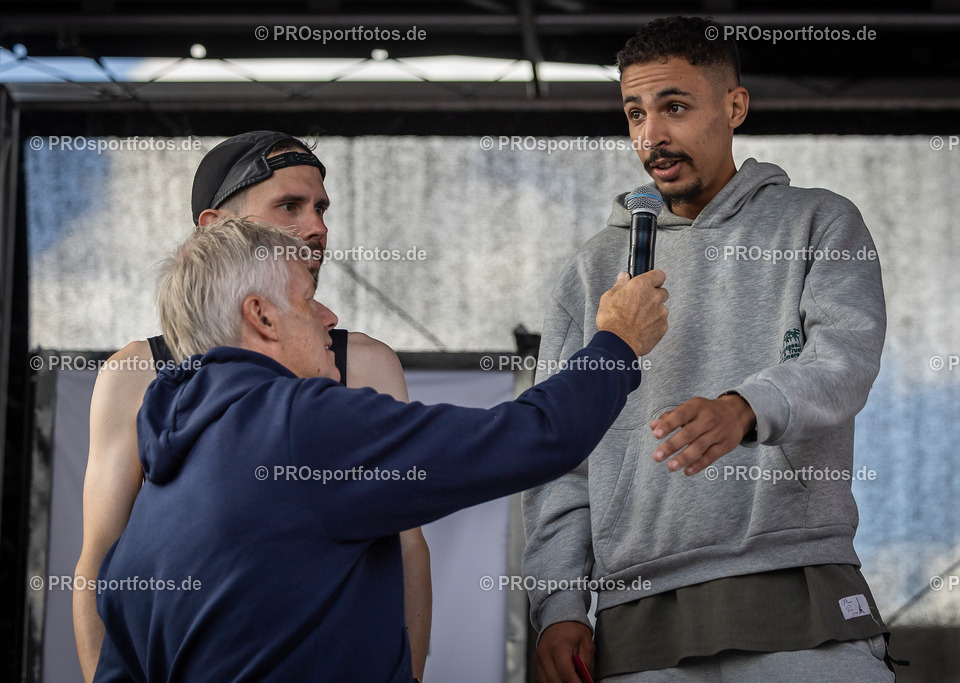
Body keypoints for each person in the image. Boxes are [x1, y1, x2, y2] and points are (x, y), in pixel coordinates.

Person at [92, 217, 670, 681]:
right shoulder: (299, 425)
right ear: (262, 316)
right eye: (308, 299)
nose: (330, 317)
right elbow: (532, 437)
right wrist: (617, 342)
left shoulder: (147, 518)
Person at [522, 16, 894, 682]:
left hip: (798, 590)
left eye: (674, 106)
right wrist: (558, 604)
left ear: (735, 106)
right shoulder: (593, 267)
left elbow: (845, 362)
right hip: (636, 615)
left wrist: (743, 408)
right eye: (635, 112)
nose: (651, 136)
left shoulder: (818, 220)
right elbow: (561, 448)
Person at [73, 131, 431, 681]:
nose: (317, 227)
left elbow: (407, 547)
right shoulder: (134, 373)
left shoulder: (364, 364)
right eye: (289, 206)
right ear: (215, 227)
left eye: (320, 208)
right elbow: (99, 560)